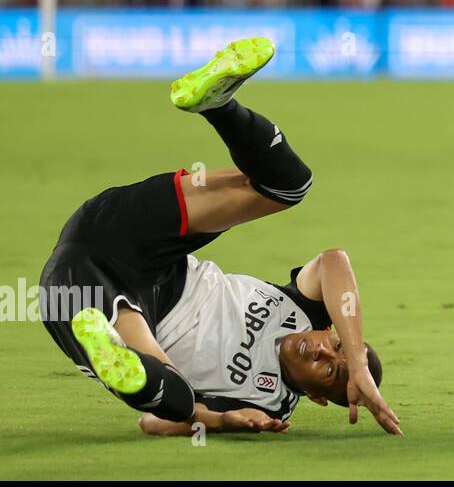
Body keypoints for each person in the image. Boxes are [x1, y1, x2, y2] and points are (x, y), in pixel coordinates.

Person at [39, 38, 401, 436]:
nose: (319, 351)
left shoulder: (269, 402)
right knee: (289, 185)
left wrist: (222, 420)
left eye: (329, 371)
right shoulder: (301, 310)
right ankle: (217, 103)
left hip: (90, 300)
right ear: (328, 331)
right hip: (133, 239)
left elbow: (152, 423)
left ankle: (110, 352)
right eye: (333, 347)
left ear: (315, 396)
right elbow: (334, 260)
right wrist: (356, 359)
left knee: (175, 395)